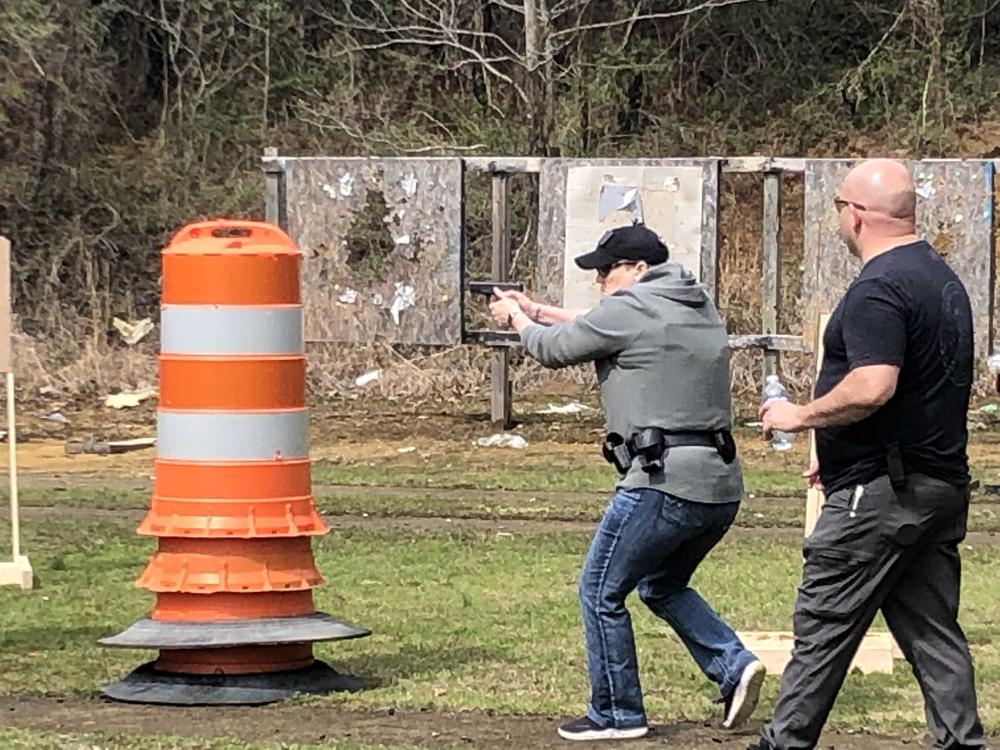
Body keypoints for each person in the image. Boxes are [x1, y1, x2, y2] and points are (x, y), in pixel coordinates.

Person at [488, 224, 766, 742]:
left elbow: (552, 350)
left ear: (638, 270)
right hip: (720, 486)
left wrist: (519, 322)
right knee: (662, 585)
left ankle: (617, 714)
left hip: (662, 483)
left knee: (600, 590)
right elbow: (601, 325)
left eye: (605, 271)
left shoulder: (631, 307)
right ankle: (733, 663)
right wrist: (540, 310)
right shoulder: (692, 302)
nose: (598, 281)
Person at [750, 158, 986, 750]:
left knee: (825, 623)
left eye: (837, 208)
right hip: (935, 487)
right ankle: (961, 742)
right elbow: (927, 388)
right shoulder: (943, 279)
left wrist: (800, 416)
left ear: (854, 215)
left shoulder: (879, 286)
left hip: (882, 496)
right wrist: (839, 453)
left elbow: (875, 384)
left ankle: (783, 743)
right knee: (932, 629)